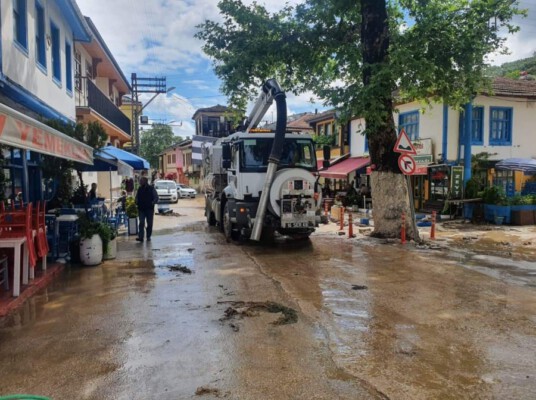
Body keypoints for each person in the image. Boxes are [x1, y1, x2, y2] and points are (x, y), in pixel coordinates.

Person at [135, 176, 159, 242]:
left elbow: (156, 197)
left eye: (141, 181)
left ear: (145, 181)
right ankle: (141, 237)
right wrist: (136, 201)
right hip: (141, 209)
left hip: (149, 209)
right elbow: (137, 197)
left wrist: (152, 203)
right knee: (141, 222)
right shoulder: (139, 189)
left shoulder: (151, 188)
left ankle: (148, 236)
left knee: (149, 223)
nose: (140, 182)